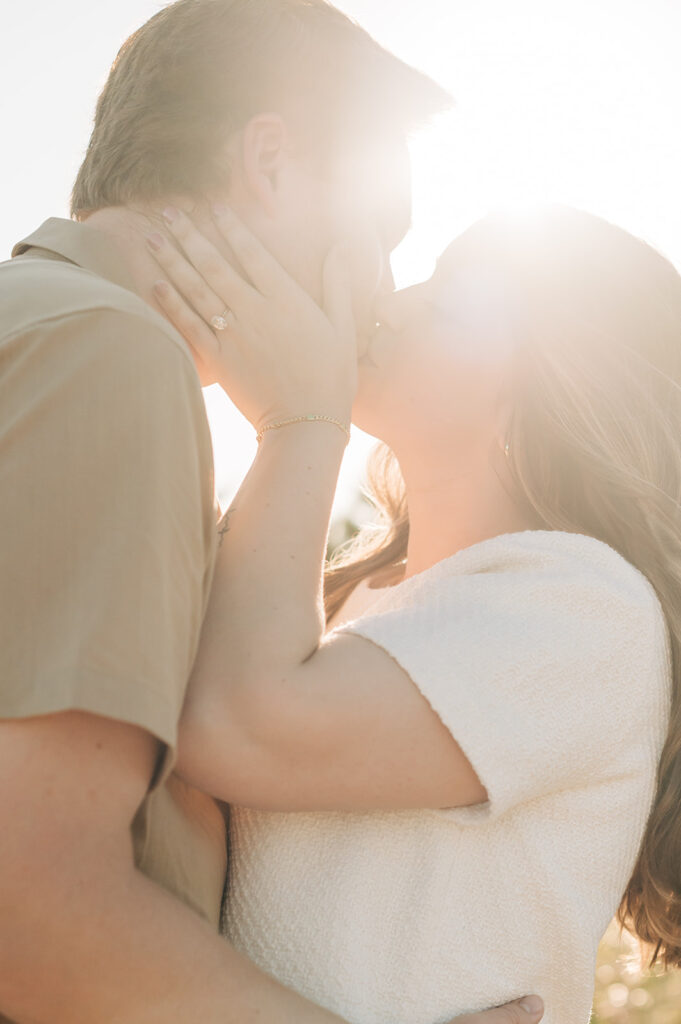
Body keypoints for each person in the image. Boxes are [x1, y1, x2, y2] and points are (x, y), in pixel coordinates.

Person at [0, 0, 544, 1022]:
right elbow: (28, 907)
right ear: (274, 163)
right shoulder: (104, 356)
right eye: (382, 231)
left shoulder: (42, 324)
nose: (383, 288)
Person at [146, 201, 680, 1024]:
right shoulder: (347, 606)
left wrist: (298, 419)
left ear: (553, 376)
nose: (392, 306)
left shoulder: (587, 608)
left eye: (451, 298)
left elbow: (239, 720)